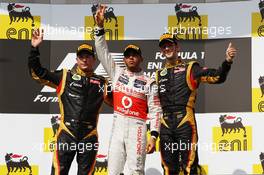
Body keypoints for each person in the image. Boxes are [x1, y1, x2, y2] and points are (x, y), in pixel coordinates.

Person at [28, 28, 108, 175]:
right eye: (81, 56)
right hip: (67, 134)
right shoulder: (65, 76)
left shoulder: (102, 83)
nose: (84, 59)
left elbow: (121, 103)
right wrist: (34, 48)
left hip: (89, 136)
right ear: (76, 59)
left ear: (94, 60)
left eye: (88, 56)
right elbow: (37, 74)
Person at [94, 5, 162, 175]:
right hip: (118, 125)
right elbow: (102, 52)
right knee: (113, 170)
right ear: (124, 59)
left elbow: (155, 110)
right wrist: (99, 27)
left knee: (136, 171)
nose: (131, 57)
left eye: (134, 54)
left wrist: (153, 136)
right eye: (128, 55)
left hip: (138, 128)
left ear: (141, 58)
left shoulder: (149, 81)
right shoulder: (117, 72)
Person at [157, 33, 237, 175]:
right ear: (162, 51)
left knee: (189, 166)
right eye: (164, 46)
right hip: (165, 124)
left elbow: (217, 76)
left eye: (170, 45)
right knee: (168, 168)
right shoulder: (158, 74)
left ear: (177, 47)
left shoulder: (191, 68)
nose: (167, 48)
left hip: (185, 122)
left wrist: (227, 61)